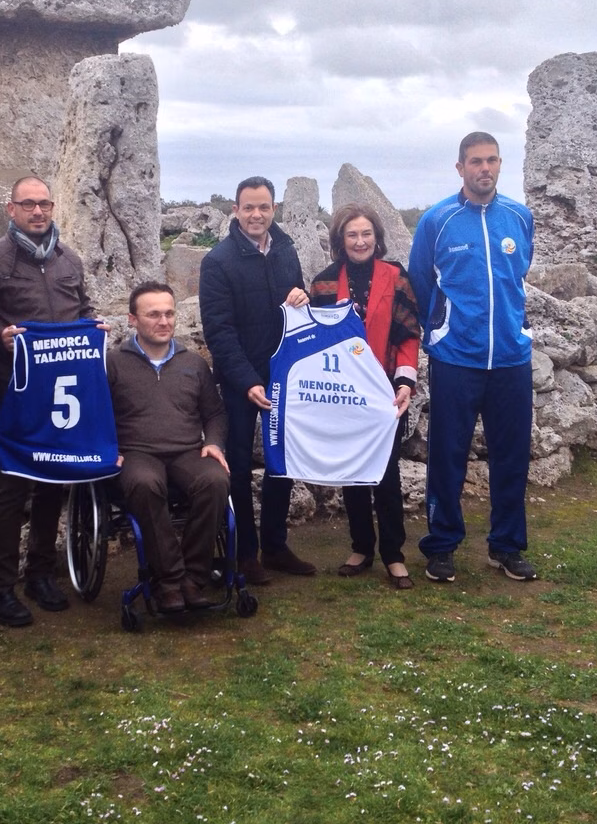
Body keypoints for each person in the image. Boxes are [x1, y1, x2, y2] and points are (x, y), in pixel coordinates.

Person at [0, 175, 97, 627]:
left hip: (63, 395)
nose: (37, 212)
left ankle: (40, 573)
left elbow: (82, 311)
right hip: (15, 393)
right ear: (11, 209)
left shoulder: (69, 261)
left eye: (44, 204)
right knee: (11, 490)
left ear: (53, 207)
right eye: (28, 205)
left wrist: (92, 328)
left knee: (54, 485)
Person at [408, 132, 537, 583]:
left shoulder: (519, 218)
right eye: (475, 161)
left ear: (500, 165)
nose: (485, 168)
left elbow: (519, 276)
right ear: (460, 168)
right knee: (448, 455)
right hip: (456, 358)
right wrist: (440, 329)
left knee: (512, 456)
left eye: (492, 161)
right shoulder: (437, 221)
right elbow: (421, 282)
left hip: (510, 358)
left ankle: (506, 547)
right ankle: (441, 546)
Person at [198, 175, 314, 584]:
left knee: (282, 461)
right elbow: (219, 332)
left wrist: (301, 297)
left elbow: (296, 307)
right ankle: (245, 553)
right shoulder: (218, 261)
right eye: (248, 207)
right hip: (238, 380)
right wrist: (247, 380)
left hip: (282, 374)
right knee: (241, 467)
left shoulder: (286, 250)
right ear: (235, 210)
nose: (256, 214)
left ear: (274, 209)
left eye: (264, 207)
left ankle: (276, 546)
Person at [309, 204, 421, 588]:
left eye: (366, 234)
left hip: (387, 393)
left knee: (385, 474)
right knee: (353, 472)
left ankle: (393, 554)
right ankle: (361, 547)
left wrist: (405, 383)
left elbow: (408, 337)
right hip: (342, 394)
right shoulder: (323, 284)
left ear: (377, 237)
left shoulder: (397, 277)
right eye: (352, 235)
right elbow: (314, 343)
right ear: (341, 240)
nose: (360, 241)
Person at [106, 282, 229, 612]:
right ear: (133, 320)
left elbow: (214, 412)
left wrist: (215, 443)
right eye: (153, 314)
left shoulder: (194, 363)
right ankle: (169, 581)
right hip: (136, 452)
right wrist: (105, 449)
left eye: (169, 313)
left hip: (187, 450)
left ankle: (194, 579)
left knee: (216, 481)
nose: (164, 321)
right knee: (145, 484)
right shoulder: (113, 364)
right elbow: (95, 413)